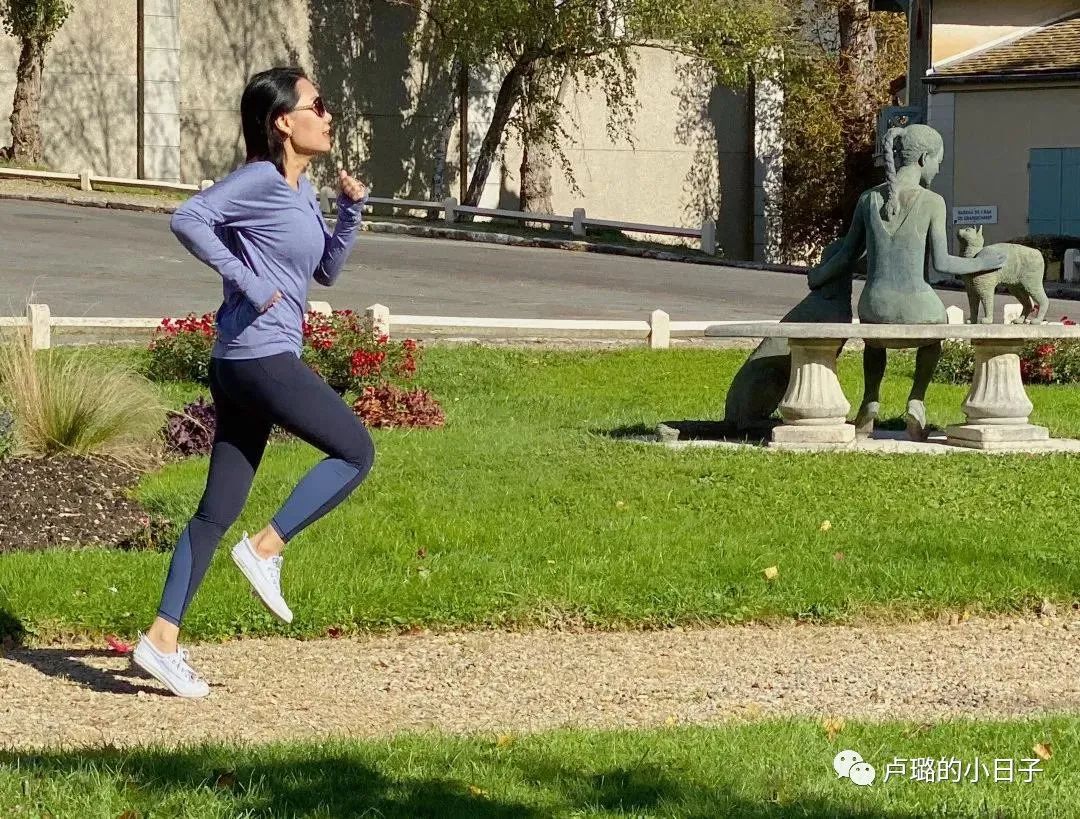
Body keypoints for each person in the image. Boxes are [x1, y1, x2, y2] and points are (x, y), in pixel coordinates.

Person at [131, 67, 374, 698]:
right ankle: (266, 548)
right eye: (318, 105)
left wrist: (348, 212)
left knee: (216, 509)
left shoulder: (299, 190)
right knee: (355, 450)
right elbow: (188, 218)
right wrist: (246, 281)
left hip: (240, 363)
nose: (328, 115)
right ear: (282, 122)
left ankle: (161, 641)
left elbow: (324, 270)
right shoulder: (260, 180)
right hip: (260, 358)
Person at [807, 124, 1006, 440]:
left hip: (874, 306)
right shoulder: (932, 202)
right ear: (925, 158)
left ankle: (871, 398)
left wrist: (817, 276)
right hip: (919, 308)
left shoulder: (868, 199)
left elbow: (845, 256)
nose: (939, 169)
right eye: (939, 161)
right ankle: (917, 399)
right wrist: (981, 263)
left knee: (875, 339)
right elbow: (942, 264)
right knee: (932, 338)